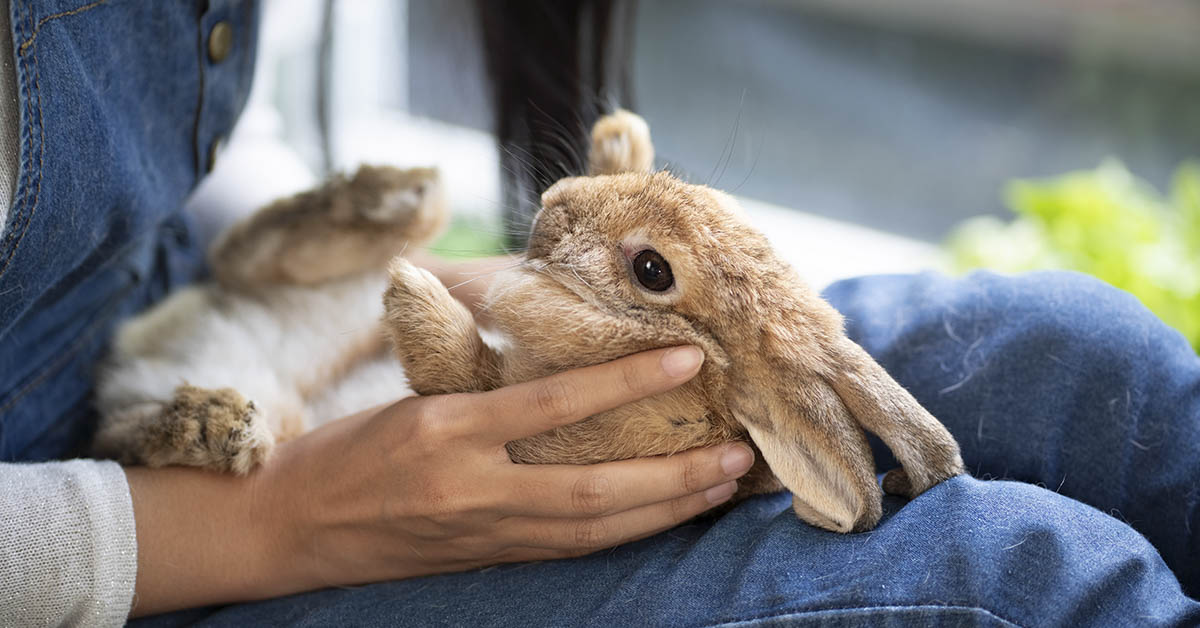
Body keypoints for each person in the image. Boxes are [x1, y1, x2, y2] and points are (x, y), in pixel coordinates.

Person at [0, 2, 1196, 627]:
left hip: (239, 319)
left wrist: (351, 277)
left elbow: (188, 136)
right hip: (124, 549)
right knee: (1014, 586)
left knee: (1086, 364)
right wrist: (281, 526)